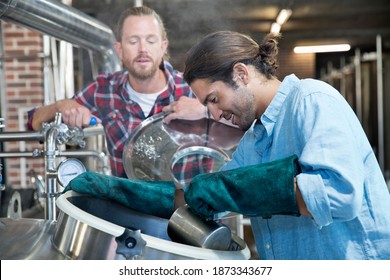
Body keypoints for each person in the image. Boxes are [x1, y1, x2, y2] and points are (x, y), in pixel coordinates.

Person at [182, 30, 390, 259]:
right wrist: (144, 196)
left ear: (241, 74)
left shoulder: (312, 99)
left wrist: (241, 190)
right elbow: (210, 195)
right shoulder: (253, 143)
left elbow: (339, 194)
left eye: (213, 99)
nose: (214, 114)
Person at [26, 5, 207, 178]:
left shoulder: (193, 89)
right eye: (133, 41)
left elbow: (235, 124)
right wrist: (62, 105)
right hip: (128, 207)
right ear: (119, 50)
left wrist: (205, 110)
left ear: (163, 46)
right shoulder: (105, 91)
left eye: (151, 40)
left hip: (185, 206)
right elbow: (34, 121)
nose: (143, 49)